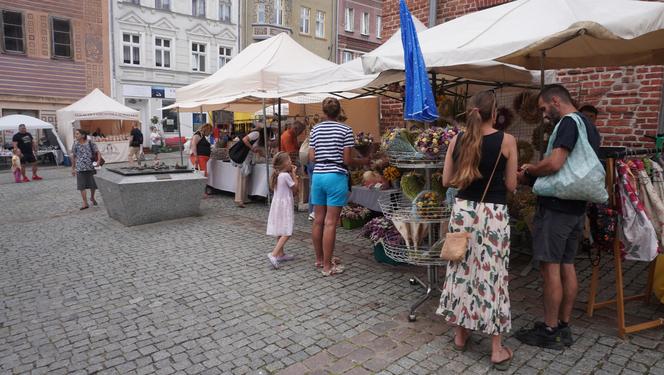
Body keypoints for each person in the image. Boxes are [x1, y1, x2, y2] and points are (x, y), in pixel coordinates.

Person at [515, 84, 601, 350]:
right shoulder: (590, 126)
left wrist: (529, 170)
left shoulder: (567, 123)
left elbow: (555, 163)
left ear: (555, 100)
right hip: (576, 209)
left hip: (557, 209)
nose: (543, 115)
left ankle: (550, 329)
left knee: (550, 267)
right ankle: (563, 325)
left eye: (543, 108)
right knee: (567, 264)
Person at [437, 90, 518, 371]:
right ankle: (496, 349)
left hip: (463, 212)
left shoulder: (457, 140)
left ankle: (460, 335)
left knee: (461, 270)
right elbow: (510, 186)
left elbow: (447, 179)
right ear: (494, 113)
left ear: (471, 111)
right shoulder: (507, 140)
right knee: (493, 276)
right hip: (492, 215)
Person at [309, 98, 369, 276]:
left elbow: (311, 157)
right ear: (339, 111)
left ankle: (320, 260)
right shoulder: (346, 129)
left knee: (318, 220)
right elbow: (347, 160)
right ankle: (328, 267)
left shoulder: (315, 129)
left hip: (318, 176)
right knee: (330, 223)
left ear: (323, 111)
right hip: (336, 176)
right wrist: (364, 161)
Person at [266, 152, 300, 269]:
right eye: (289, 160)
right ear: (284, 163)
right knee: (287, 231)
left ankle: (280, 254)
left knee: (281, 229)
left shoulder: (278, 175)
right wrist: (294, 174)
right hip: (284, 207)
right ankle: (274, 254)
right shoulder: (285, 176)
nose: (291, 162)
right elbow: (295, 188)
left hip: (277, 206)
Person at [235, 125, 264, 207]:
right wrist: (252, 148)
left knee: (244, 179)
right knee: (242, 178)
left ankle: (243, 198)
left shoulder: (257, 135)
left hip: (246, 159)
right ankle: (240, 199)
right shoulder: (256, 134)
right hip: (244, 158)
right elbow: (245, 140)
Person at [71, 129, 100, 210]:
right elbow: (73, 156)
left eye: (77, 134)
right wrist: (73, 168)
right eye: (75, 134)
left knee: (92, 185)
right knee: (81, 186)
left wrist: (98, 161)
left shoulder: (90, 142)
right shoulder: (75, 144)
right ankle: (85, 202)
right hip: (80, 168)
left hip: (91, 167)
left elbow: (97, 152)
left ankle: (92, 197)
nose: (75, 135)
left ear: (83, 135)